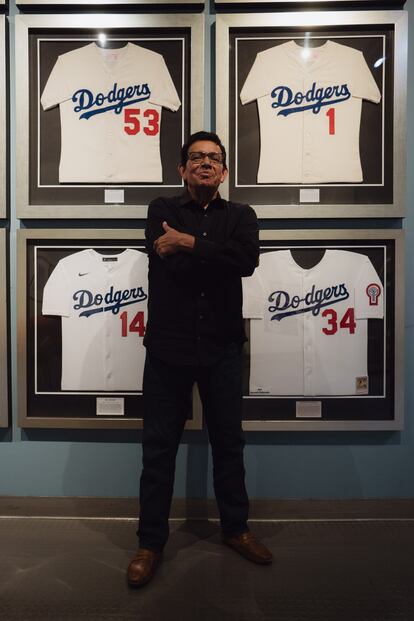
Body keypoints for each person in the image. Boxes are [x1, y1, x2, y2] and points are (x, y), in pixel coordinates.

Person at [127, 131, 272, 588]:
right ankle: (150, 542)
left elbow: (247, 261)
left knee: (229, 445)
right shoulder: (161, 211)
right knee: (158, 450)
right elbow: (177, 264)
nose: (205, 163)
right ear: (181, 169)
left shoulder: (242, 215)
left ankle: (236, 529)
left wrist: (189, 244)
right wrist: (213, 254)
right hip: (168, 349)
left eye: (213, 158)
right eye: (196, 157)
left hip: (223, 348)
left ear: (225, 170)